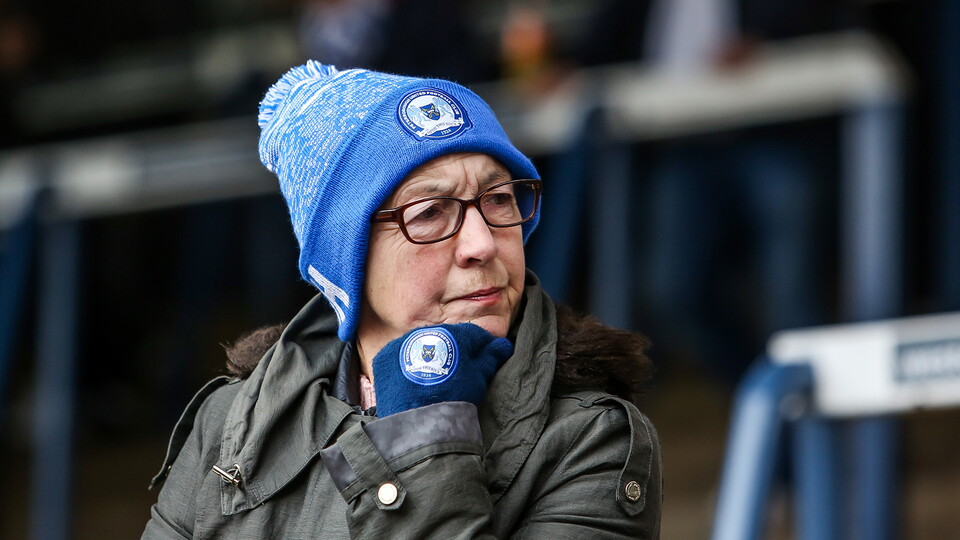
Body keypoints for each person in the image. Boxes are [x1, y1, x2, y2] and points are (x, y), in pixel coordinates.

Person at [142, 61, 661, 538]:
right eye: (431, 212)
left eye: (499, 199)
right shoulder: (234, 420)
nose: (483, 243)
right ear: (347, 258)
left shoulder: (591, 438)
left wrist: (424, 429)